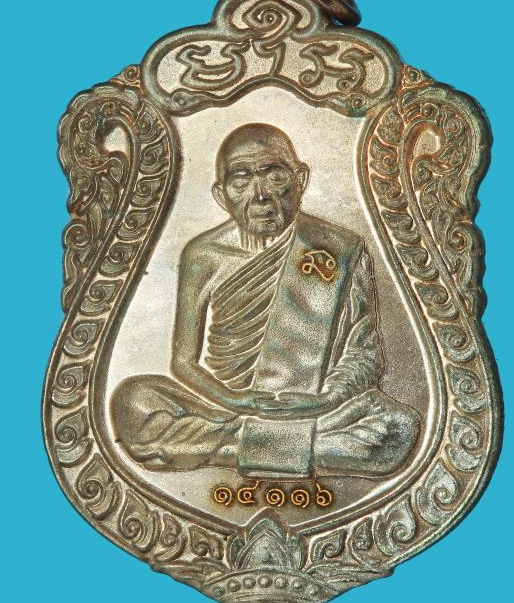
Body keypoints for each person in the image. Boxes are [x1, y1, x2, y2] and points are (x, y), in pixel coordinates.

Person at [111, 123, 419, 478]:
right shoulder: (203, 254)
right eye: (241, 181)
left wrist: (325, 399)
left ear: (300, 179)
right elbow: (183, 363)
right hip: (225, 408)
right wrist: (234, 399)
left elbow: (364, 353)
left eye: (274, 177)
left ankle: (223, 451)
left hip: (314, 410)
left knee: (399, 428)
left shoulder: (339, 248)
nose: (260, 196)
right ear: (221, 195)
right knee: (132, 400)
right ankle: (291, 449)